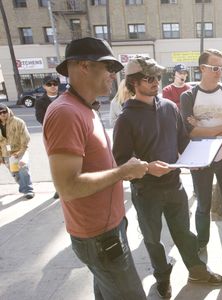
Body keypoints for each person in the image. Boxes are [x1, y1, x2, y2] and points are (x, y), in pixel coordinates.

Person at [43, 37, 149, 299]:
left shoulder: (86, 107)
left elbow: (97, 164)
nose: (114, 75)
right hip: (99, 237)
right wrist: (122, 172)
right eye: (108, 68)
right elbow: (67, 187)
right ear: (82, 66)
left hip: (110, 228)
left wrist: (129, 170)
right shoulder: (65, 112)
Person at [112, 56, 222, 299]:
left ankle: (197, 270)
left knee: (184, 232)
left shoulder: (169, 107)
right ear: (133, 82)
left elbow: (183, 142)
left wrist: (195, 160)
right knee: (153, 240)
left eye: (157, 77)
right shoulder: (126, 118)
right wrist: (147, 167)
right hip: (145, 191)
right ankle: (162, 279)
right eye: (148, 78)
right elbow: (120, 161)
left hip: (174, 186)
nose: (155, 82)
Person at [180, 49, 222, 262]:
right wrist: (221, 128)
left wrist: (202, 129)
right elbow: (189, 133)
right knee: (203, 206)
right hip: (200, 159)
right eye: (215, 67)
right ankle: (201, 244)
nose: (220, 72)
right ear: (202, 68)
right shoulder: (188, 96)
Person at [0, 103, 34, 199]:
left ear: (8, 111)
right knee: (15, 174)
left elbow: (26, 138)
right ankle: (23, 188)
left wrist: (21, 152)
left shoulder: (18, 122)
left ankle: (29, 191)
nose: (2, 114)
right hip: (6, 154)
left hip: (19, 151)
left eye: (4, 112)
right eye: (0, 113)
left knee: (23, 169)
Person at [35, 74, 61, 199]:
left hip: (69, 133)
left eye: (55, 84)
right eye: (49, 84)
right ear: (44, 86)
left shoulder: (66, 97)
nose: (53, 86)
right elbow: (40, 118)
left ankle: (72, 186)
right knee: (55, 163)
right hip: (51, 136)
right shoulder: (40, 102)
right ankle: (58, 188)